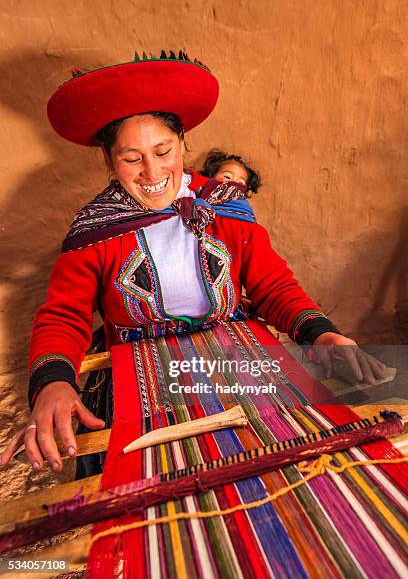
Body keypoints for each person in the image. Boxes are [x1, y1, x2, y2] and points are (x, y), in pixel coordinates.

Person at [0, 50, 386, 474]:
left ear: (183, 143)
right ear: (109, 161)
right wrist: (52, 381)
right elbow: (63, 315)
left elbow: (271, 284)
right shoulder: (96, 230)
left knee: (291, 459)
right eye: (131, 158)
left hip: (231, 350)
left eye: (164, 151)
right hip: (135, 367)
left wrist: (321, 333)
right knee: (149, 482)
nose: (151, 172)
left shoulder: (224, 206)